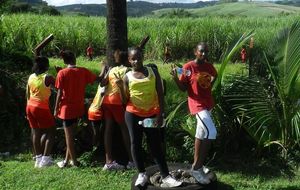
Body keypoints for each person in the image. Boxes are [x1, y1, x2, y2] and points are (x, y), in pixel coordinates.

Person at [117, 47, 182, 188]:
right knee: (135, 144)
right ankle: (141, 173)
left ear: (143, 57)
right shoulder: (127, 76)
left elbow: (160, 94)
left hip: (152, 114)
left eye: (139, 57)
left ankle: (165, 175)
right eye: (133, 59)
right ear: (129, 60)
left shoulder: (153, 72)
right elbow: (124, 100)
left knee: (155, 144)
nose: (136, 61)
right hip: (132, 114)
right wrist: (119, 86)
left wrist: (160, 113)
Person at [170, 42, 217, 184]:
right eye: (201, 51)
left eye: (206, 52)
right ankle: (197, 169)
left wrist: (208, 87)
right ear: (195, 51)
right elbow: (183, 88)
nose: (204, 54)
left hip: (208, 104)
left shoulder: (209, 66)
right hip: (197, 105)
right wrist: (174, 78)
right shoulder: (188, 67)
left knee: (201, 134)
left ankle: (197, 166)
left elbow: (214, 76)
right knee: (212, 132)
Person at [54, 50, 101, 168]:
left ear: (64, 61)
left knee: (68, 138)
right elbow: (98, 79)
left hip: (66, 109)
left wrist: (55, 108)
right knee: (71, 136)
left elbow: (59, 93)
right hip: (78, 108)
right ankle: (66, 161)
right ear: (75, 58)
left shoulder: (62, 73)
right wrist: (105, 69)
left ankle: (74, 162)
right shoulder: (83, 71)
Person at [101, 50, 134, 171]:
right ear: (128, 59)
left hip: (106, 101)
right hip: (118, 102)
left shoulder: (111, 69)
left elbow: (103, 83)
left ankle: (108, 161)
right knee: (125, 130)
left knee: (108, 130)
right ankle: (131, 160)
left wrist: (105, 70)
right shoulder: (127, 71)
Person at [26, 56, 55, 168]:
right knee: (51, 131)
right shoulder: (47, 77)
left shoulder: (31, 77)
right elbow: (59, 84)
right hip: (40, 107)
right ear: (46, 66)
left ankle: (38, 159)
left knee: (36, 131)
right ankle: (46, 159)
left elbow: (28, 93)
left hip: (29, 106)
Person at [87, 60, 109, 148]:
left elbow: (102, 78)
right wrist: (105, 69)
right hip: (96, 112)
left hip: (93, 110)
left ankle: (94, 147)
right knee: (97, 133)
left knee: (96, 132)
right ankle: (95, 148)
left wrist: (104, 68)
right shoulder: (105, 86)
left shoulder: (101, 85)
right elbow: (103, 80)